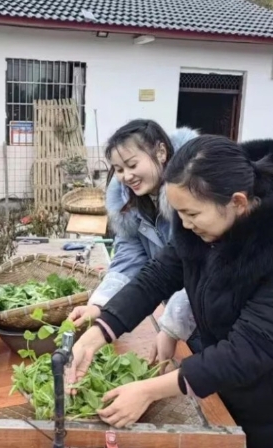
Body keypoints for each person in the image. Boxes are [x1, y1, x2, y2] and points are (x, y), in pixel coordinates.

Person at [66, 135, 273, 448]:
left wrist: (148, 390)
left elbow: (248, 351)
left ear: (238, 202)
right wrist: (99, 332)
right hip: (232, 392)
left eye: (193, 214)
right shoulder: (203, 232)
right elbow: (157, 276)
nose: (185, 226)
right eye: (180, 214)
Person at [84, 118, 201, 354]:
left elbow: (201, 268)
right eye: (118, 170)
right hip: (179, 317)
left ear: (160, 152)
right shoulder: (134, 205)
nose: (126, 176)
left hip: (211, 313)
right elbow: (130, 256)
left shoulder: (197, 196)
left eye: (132, 165)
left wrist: (170, 327)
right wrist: (101, 305)